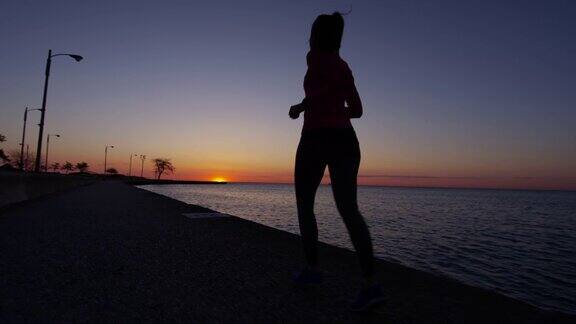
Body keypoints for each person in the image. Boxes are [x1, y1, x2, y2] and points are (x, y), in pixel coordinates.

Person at [289, 12, 384, 312]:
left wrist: (304, 106)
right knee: (349, 210)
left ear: (316, 36)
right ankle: (370, 285)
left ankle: (313, 269)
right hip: (345, 139)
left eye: (313, 33)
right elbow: (356, 110)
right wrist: (328, 106)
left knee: (305, 204)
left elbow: (319, 93)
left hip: (316, 138)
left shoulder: (314, 59)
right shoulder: (343, 67)